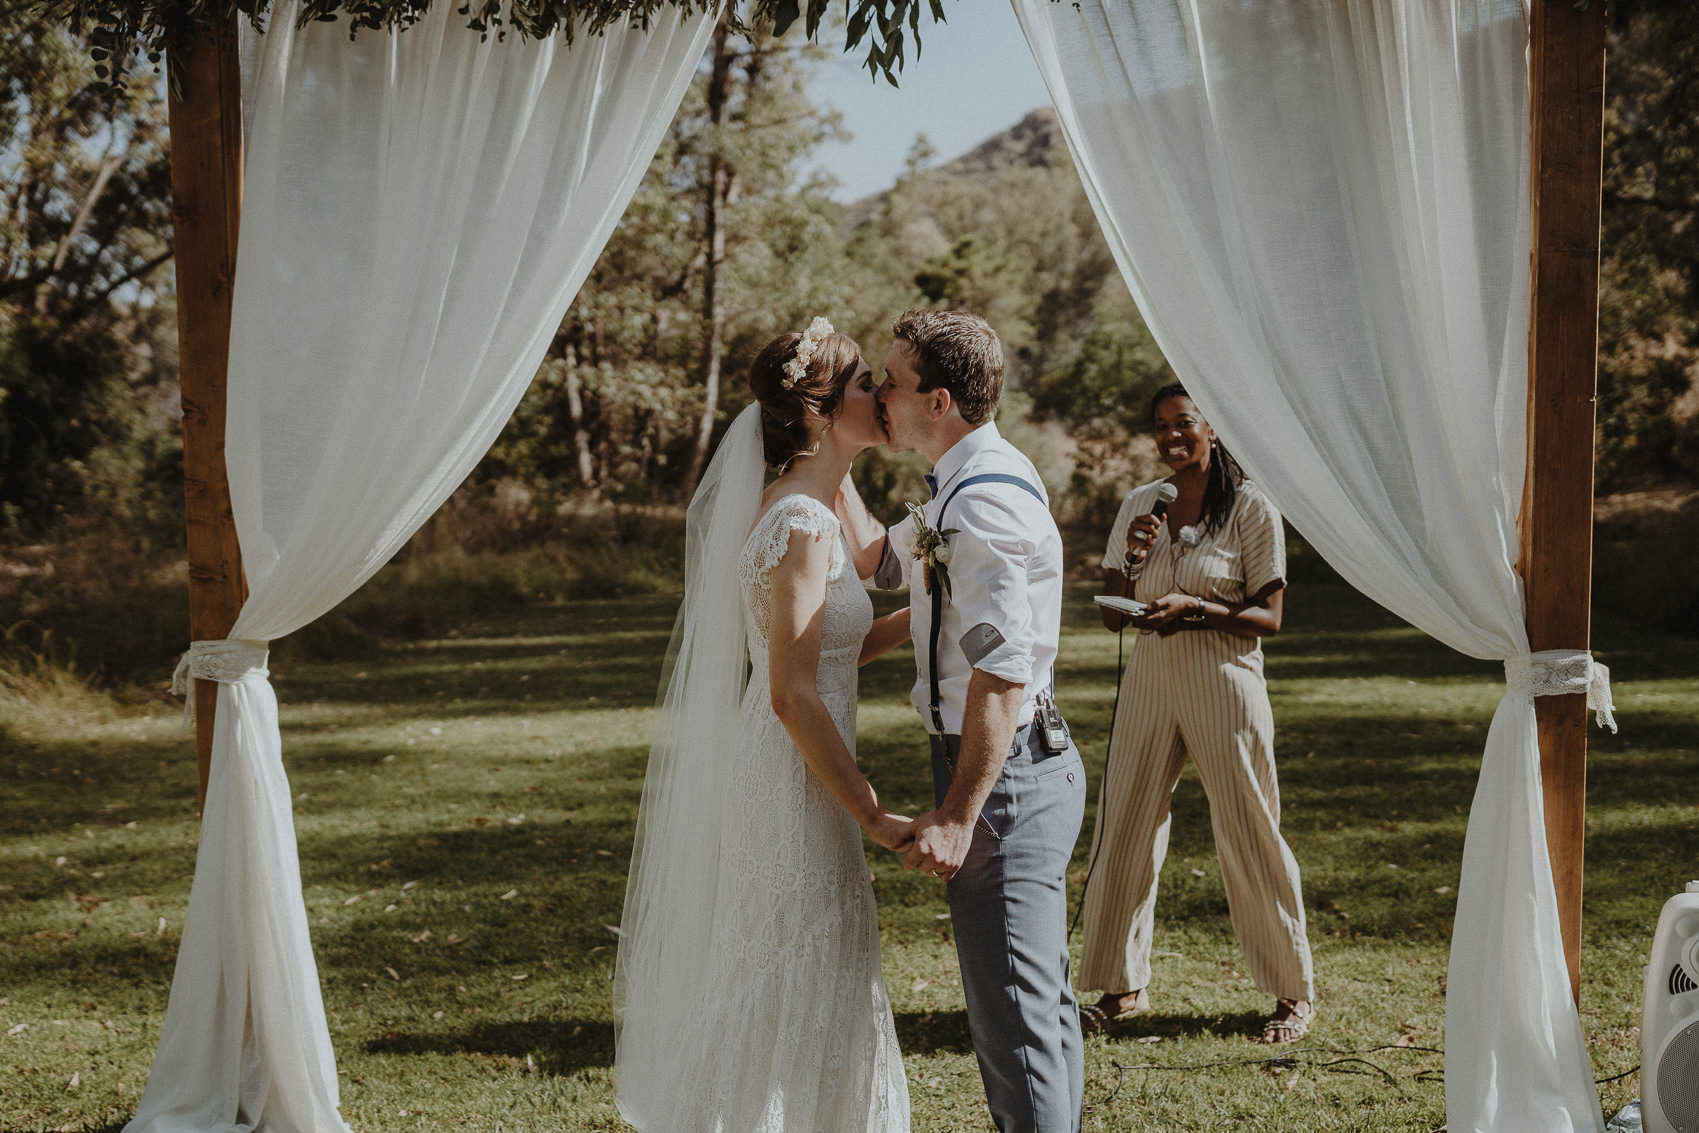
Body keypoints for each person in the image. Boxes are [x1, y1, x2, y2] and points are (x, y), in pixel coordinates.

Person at [613, 318, 914, 1132]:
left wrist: (930, 613)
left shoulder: (816, 504)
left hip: (803, 761)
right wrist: (873, 811)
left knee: (808, 959)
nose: (881, 395)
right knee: (784, 960)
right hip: (791, 770)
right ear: (819, 408)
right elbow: (790, 691)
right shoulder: (803, 525)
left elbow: (833, 652)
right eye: (865, 384)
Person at [838, 309, 1087, 1133]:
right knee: (1033, 1009)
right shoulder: (960, 479)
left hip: (1004, 776)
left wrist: (958, 815)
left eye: (892, 383)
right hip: (1003, 765)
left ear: (938, 399)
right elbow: (882, 564)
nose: (880, 394)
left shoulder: (980, 503)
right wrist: (830, 451)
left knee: (1014, 1024)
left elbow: (1003, 673)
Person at [1076, 381, 1316, 1044]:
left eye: (1183, 421)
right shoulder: (1138, 503)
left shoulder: (1250, 508)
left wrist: (1196, 606)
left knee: (1249, 824)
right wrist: (1133, 556)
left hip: (1223, 678)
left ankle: (1291, 991)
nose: (1170, 435)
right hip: (1149, 678)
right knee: (1123, 819)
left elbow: (1268, 616)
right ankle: (1119, 986)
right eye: (1159, 425)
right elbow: (1107, 612)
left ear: (1213, 426)